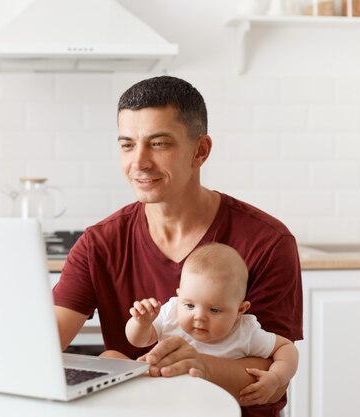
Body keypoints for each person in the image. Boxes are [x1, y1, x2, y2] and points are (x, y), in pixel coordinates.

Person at [52, 75, 302, 417]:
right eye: (127, 144)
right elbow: (44, 346)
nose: (138, 162)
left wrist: (196, 366)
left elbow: (273, 374)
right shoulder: (99, 243)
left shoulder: (268, 242)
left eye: (158, 144)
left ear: (200, 151)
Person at [125, 243, 299, 405]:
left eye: (214, 310)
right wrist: (141, 323)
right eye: (190, 305)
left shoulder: (244, 332)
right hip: (167, 404)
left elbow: (286, 348)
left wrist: (276, 377)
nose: (199, 317)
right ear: (179, 296)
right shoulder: (171, 313)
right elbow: (139, 341)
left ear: (240, 310)